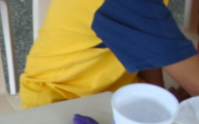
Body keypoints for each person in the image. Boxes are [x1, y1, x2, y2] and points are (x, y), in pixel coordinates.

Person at [20, 0, 199, 109]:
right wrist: (160, 104)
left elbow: (146, 42)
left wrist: (157, 101)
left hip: (117, 92)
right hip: (61, 101)